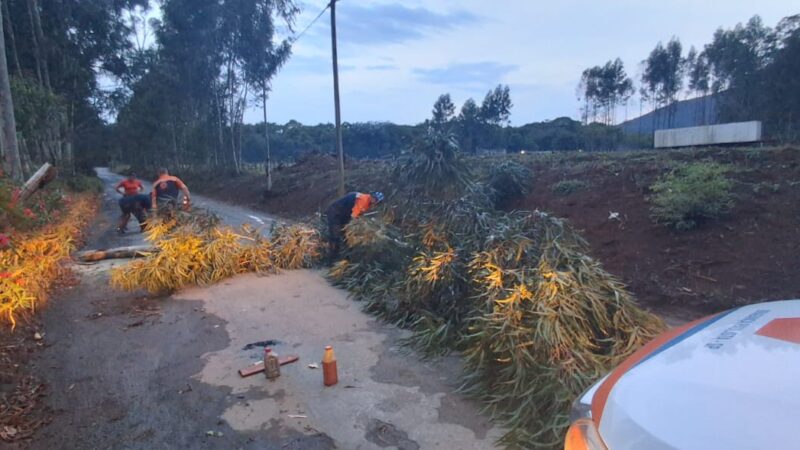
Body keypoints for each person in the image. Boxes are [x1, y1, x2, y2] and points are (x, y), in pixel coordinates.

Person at [324, 191, 384, 257]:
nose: (374, 201)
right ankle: (332, 257)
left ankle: (344, 254)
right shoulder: (363, 199)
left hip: (344, 214)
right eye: (374, 198)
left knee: (344, 235)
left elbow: (359, 214)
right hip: (336, 212)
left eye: (376, 200)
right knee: (335, 235)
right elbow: (353, 216)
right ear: (372, 196)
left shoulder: (369, 203)